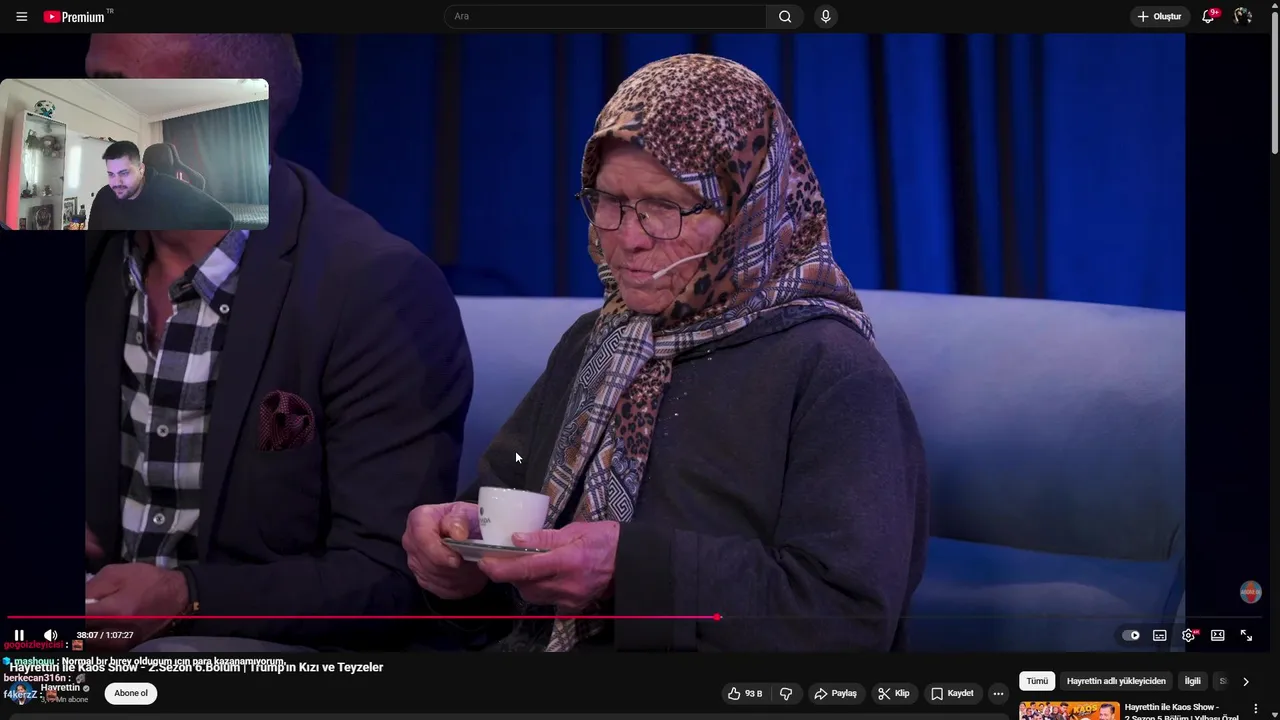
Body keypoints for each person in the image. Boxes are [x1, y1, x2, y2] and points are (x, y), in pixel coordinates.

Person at [403, 54, 928, 651]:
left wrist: (629, 573)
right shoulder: (597, 342)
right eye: (609, 201)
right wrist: (458, 558)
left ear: (747, 209)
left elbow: (846, 621)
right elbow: (510, 497)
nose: (627, 237)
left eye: (664, 207)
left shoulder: (831, 372)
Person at [83, 33, 473, 652]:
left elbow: (388, 576)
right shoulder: (82, 245)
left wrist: (187, 597)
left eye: (112, 91)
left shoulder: (376, 289)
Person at [87, 140, 235, 231]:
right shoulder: (104, 197)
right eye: (111, 174)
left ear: (141, 169)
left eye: (124, 173)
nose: (116, 183)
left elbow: (223, 219)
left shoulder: (173, 191)